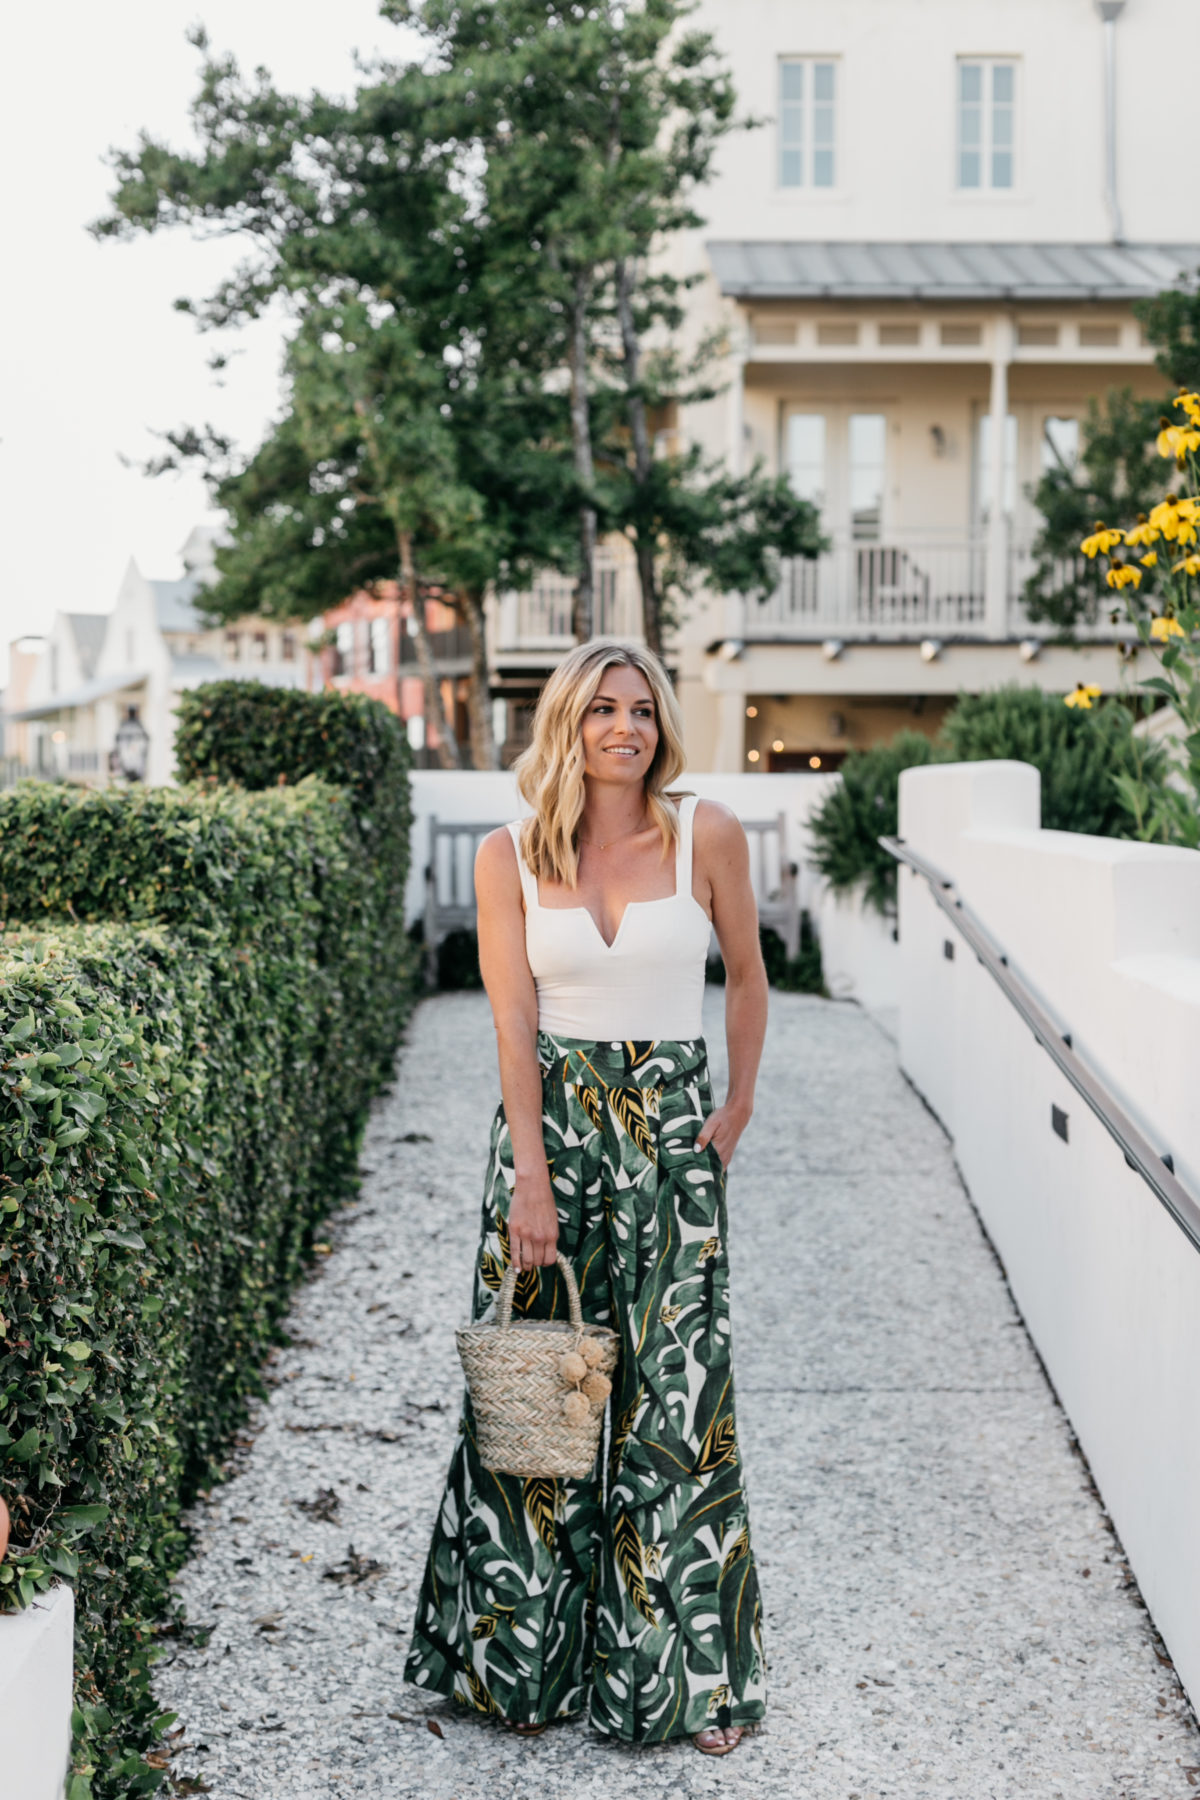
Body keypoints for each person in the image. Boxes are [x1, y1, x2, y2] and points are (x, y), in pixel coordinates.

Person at [404, 640, 768, 1756]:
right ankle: (519, 1667)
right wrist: (531, 1176)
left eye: (643, 710)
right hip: (550, 1134)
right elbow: (513, 1023)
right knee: (540, 1407)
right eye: (604, 708)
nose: (626, 727)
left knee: (675, 1413)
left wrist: (738, 1102)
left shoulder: (705, 831)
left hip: (667, 1141)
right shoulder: (511, 854)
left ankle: (683, 1682)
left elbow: (747, 976)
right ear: (567, 720)